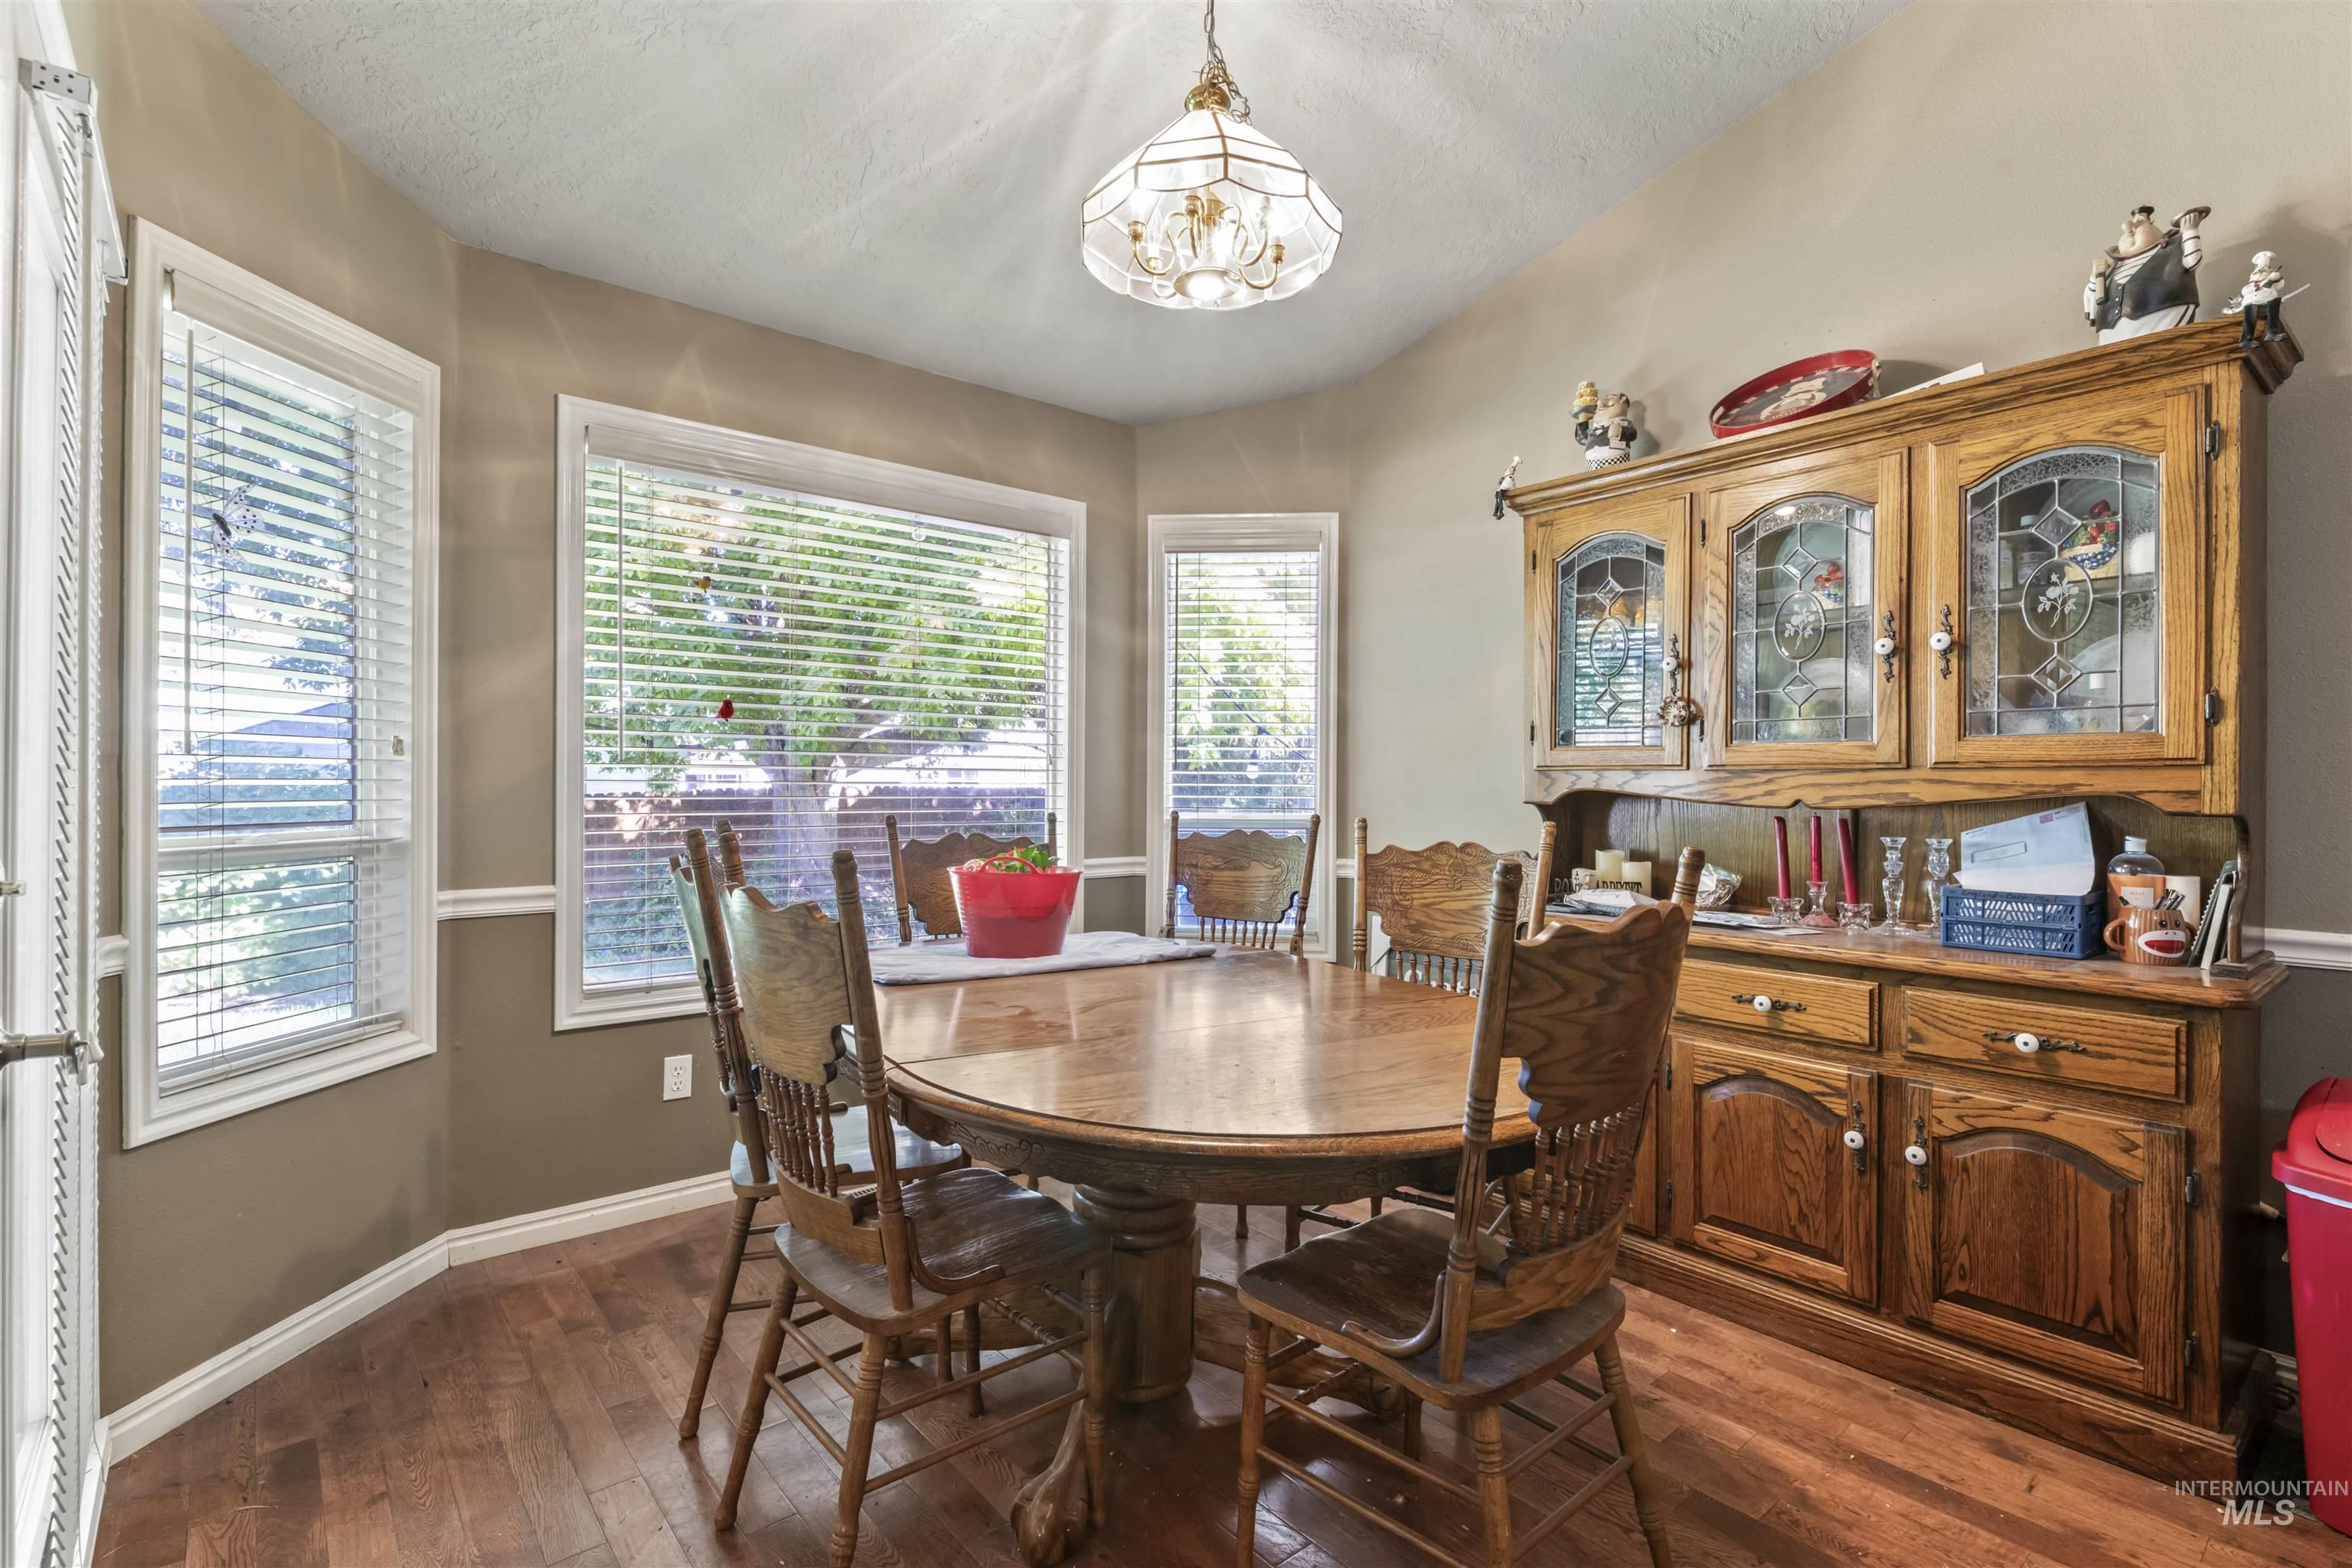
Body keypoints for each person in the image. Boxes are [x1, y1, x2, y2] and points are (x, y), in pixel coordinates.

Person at [2084, 205, 2208, 344]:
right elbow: (2093, 305)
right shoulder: (2111, 269)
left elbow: (2192, 261)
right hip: (2112, 343)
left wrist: (2190, 231)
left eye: (2139, 223)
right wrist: (2095, 278)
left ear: (2152, 224)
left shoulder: (2174, 248)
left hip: (2162, 329)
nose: (2128, 227)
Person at [2230, 251, 2285, 347]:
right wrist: (2258, 286)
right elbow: (2245, 292)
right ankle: (2246, 339)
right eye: (2259, 271)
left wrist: (2277, 278)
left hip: (2268, 299)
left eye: (2264, 270)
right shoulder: (2250, 285)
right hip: (2253, 301)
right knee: (2250, 313)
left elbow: (2280, 286)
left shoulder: (2271, 280)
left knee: (2275, 304)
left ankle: (2272, 333)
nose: (2260, 272)